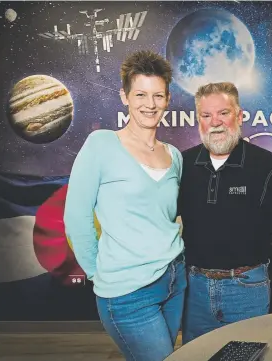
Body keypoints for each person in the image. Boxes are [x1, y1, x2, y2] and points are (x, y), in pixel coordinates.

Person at [64, 50, 186, 361]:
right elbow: (76, 218)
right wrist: (99, 273)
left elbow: (170, 216)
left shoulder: (174, 155)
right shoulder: (101, 145)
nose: (150, 103)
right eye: (141, 94)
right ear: (124, 97)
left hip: (174, 280)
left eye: (158, 95)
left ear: (168, 99)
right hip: (128, 293)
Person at [178, 82, 272, 344]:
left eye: (223, 113)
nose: (215, 122)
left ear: (239, 116)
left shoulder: (265, 165)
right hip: (194, 290)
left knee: (248, 353)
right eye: (206, 116)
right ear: (198, 121)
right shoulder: (182, 164)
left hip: (247, 290)